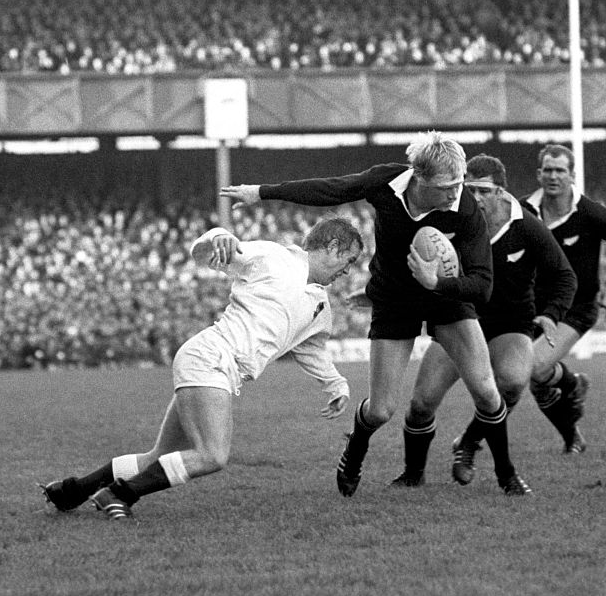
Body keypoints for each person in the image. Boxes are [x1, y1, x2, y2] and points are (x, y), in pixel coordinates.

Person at [220, 131, 529, 496]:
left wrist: (437, 284)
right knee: (381, 410)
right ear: (419, 177)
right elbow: (332, 189)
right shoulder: (387, 182)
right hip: (395, 299)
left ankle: (507, 475)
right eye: (446, 185)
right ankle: (355, 450)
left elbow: (482, 285)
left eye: (459, 184)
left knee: (488, 392)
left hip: (447, 298)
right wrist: (262, 192)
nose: (455, 192)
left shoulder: (465, 209)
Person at [41, 216, 364, 519]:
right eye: (349, 261)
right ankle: (119, 495)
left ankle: (73, 491)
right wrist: (218, 237)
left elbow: (311, 348)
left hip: (213, 366)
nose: (347, 272)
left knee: (158, 457)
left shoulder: (320, 305)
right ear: (333, 247)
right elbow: (208, 250)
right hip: (210, 357)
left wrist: (336, 384)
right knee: (212, 455)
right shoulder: (276, 257)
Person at [389, 154, 576, 486]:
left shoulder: (527, 227)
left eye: (482, 191)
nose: (473, 199)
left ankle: (469, 443)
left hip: (510, 324)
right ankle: (412, 475)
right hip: (459, 319)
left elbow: (564, 276)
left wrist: (551, 315)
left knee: (514, 381)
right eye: (467, 190)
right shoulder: (447, 222)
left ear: (501, 192)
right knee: (421, 403)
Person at [523, 144, 606, 453]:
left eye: (560, 170)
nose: (553, 176)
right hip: (535, 309)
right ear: (538, 174)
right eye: (548, 169)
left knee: (533, 367)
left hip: (577, 307)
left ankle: (572, 385)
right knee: (539, 380)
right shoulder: (523, 212)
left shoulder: (590, 213)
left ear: (572, 175)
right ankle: (572, 435)